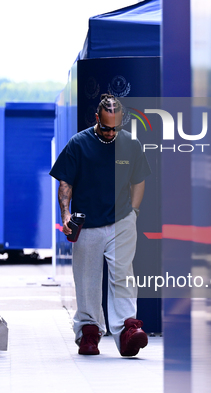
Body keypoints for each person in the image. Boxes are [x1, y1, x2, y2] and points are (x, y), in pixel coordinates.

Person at [49, 94, 151, 357]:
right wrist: (65, 214)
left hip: (122, 220)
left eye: (115, 128)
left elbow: (139, 180)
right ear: (97, 119)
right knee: (87, 280)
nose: (110, 133)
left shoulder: (131, 144)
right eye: (105, 127)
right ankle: (89, 332)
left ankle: (128, 330)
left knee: (123, 275)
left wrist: (134, 213)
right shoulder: (79, 144)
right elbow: (65, 183)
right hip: (88, 223)